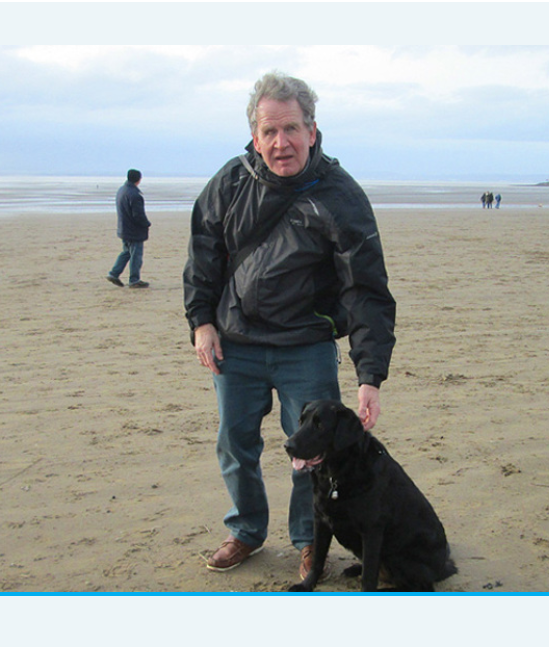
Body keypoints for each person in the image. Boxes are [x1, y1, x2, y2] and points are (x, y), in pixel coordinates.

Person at [183, 72, 396, 578]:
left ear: (312, 131)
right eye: (270, 131)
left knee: (314, 453)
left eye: (292, 129)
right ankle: (245, 530)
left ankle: (308, 540)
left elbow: (365, 290)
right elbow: (203, 254)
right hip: (235, 344)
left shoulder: (341, 195)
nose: (282, 143)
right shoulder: (231, 183)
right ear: (255, 138)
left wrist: (370, 376)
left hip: (306, 346)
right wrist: (201, 321)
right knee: (235, 443)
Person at [106, 169, 151, 288]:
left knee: (126, 252)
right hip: (133, 230)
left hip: (124, 228)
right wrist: (146, 224)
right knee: (135, 255)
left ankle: (114, 273)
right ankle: (134, 280)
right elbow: (138, 215)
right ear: (139, 179)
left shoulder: (122, 190)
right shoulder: (134, 195)